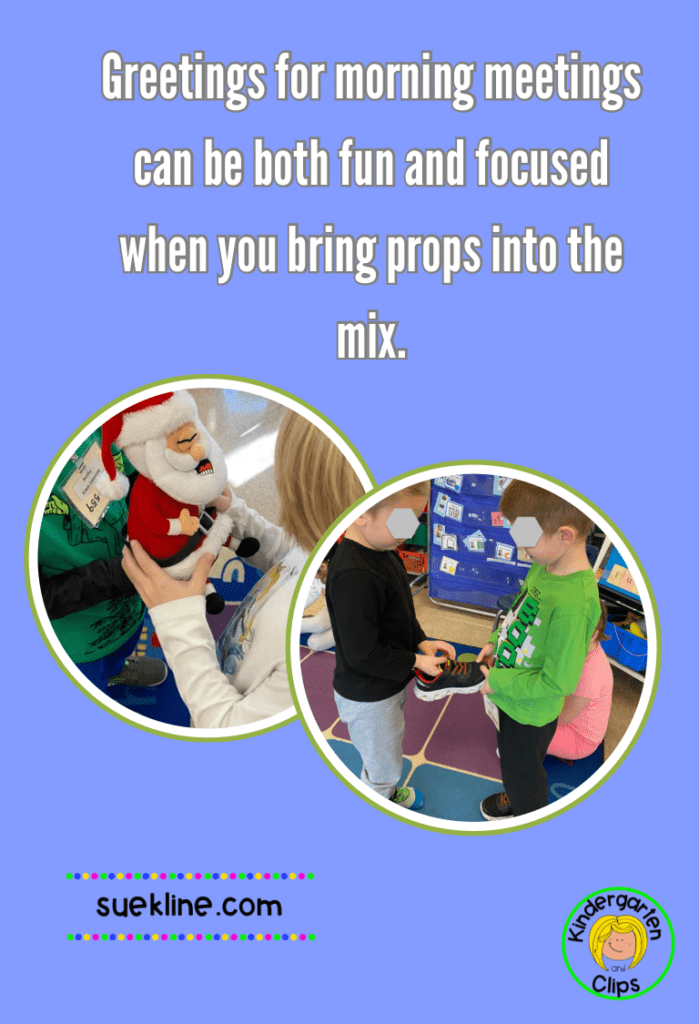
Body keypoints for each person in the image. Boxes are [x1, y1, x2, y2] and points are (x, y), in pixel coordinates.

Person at [122, 411, 364, 728]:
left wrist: (177, 619)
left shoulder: (306, 665)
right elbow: (292, 556)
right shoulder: (331, 546)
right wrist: (237, 513)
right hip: (228, 664)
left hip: (219, 702)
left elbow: (223, 727)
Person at [476, 479, 601, 821]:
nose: (520, 545)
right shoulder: (545, 564)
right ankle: (517, 794)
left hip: (529, 711)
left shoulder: (574, 604)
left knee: (524, 772)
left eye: (526, 537)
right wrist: (495, 640)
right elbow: (520, 610)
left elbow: (558, 683)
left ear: (565, 535)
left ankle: (527, 812)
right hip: (510, 692)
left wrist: (498, 682)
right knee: (513, 764)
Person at [326, 484, 455, 811]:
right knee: (383, 764)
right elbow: (362, 654)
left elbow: (401, 612)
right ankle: (379, 798)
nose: (411, 530)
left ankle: (382, 788)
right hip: (368, 696)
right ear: (361, 514)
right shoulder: (354, 575)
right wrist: (416, 660)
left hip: (385, 684)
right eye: (403, 520)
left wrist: (422, 641)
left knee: (386, 747)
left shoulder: (383, 548)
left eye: (416, 519)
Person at [38, 429, 167, 694]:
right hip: (76, 643)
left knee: (124, 646)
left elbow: (133, 473)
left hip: (130, 605)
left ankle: (117, 670)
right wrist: (118, 574)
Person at [547, 604, 613, 760]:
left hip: (578, 737)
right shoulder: (580, 648)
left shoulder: (592, 672)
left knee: (525, 729)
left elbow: (563, 718)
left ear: (593, 635)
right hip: (563, 704)